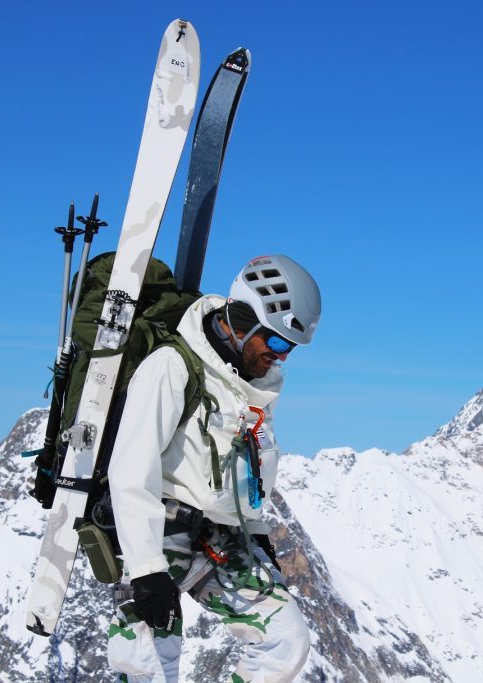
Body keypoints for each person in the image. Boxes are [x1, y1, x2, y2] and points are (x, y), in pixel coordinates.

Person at [106, 254, 321, 683]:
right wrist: (147, 570)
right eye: (277, 343)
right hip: (159, 538)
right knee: (147, 666)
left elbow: (251, 473)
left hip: (223, 540)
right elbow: (131, 468)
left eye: (289, 348)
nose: (280, 358)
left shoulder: (252, 391)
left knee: (286, 640)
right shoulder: (172, 366)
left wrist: (257, 536)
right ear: (242, 322)